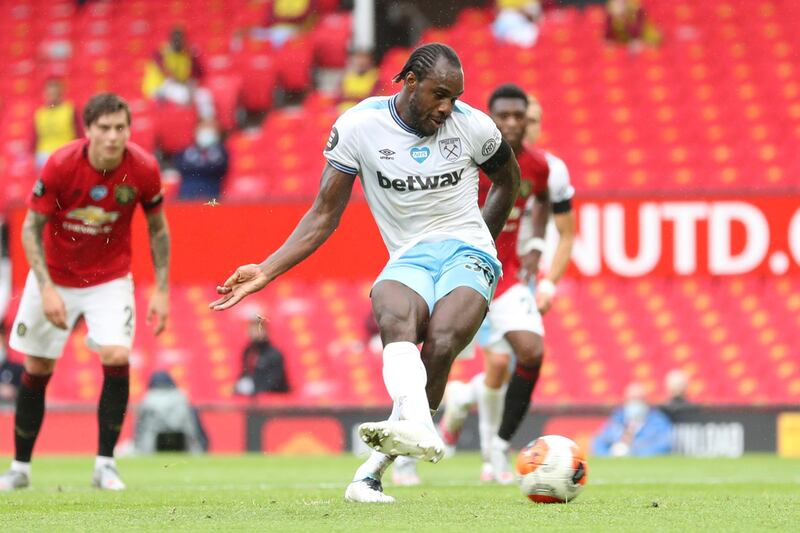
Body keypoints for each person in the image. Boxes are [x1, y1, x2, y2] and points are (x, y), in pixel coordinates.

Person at [210, 42, 519, 503]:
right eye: (439, 94)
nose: (447, 106)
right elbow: (322, 216)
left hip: (467, 250)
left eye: (454, 97)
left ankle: (393, 447)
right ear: (410, 81)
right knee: (391, 310)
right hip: (409, 255)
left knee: (440, 342)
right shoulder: (359, 127)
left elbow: (510, 180)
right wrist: (267, 270)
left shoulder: (473, 126)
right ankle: (378, 465)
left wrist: (482, 243)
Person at [0, 93, 171, 492]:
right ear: (88, 131)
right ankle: (20, 468)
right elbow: (30, 228)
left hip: (109, 278)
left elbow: (158, 228)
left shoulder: (143, 168)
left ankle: (105, 465)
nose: (113, 137)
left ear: (129, 129)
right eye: (105, 128)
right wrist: (46, 289)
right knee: (38, 368)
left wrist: (161, 290)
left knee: (116, 355)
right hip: (56, 276)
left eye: (120, 128)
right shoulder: (61, 165)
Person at [429, 86, 576, 484]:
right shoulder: (463, 159)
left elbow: (544, 203)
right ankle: (408, 453)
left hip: (505, 273)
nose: (514, 124)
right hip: (456, 271)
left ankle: (497, 446)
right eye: (504, 117)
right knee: (435, 354)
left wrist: (536, 247)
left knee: (528, 351)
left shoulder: (542, 166)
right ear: (489, 119)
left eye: (520, 117)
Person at [142, 27, 215, 120]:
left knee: (204, 94)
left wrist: (194, 56)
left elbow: (195, 75)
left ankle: (208, 122)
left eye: (181, 40)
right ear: (170, 40)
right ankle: (186, 121)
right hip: (158, 88)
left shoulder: (185, 55)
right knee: (183, 94)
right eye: (176, 40)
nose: (178, 42)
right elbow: (167, 73)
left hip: (175, 85)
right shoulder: (160, 51)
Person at [592, 382, 673, 457]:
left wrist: (634, 451)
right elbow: (599, 443)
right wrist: (612, 453)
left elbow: (665, 445)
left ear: (646, 401)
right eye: (632, 399)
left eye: (639, 399)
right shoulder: (616, 419)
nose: (635, 403)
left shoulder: (658, 421)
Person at [134, 371, 207, 454]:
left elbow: (139, 428)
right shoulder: (183, 397)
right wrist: (202, 446)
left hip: (151, 446)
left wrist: (138, 447)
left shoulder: (147, 399)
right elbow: (196, 426)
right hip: (185, 445)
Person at [33, 77, 81, 170]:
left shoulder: (70, 110)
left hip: (65, 153)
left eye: (55, 92)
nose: (52, 95)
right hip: (44, 156)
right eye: (50, 93)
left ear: (61, 93)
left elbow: (79, 133)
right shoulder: (40, 113)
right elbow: (34, 138)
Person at [174, 120, 229, 200]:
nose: (206, 133)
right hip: (186, 195)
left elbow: (218, 168)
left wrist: (196, 166)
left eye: (210, 128)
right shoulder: (186, 151)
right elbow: (180, 165)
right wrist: (203, 165)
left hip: (210, 194)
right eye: (203, 128)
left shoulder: (221, 151)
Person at [234, 315, 289, 395]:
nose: (255, 333)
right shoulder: (248, 351)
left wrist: (256, 390)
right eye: (252, 329)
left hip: (271, 397)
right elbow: (245, 372)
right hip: (253, 397)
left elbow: (275, 381)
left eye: (258, 329)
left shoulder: (274, 354)